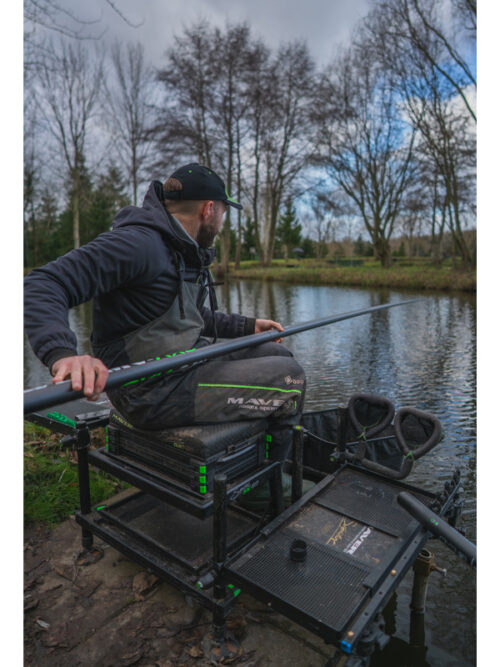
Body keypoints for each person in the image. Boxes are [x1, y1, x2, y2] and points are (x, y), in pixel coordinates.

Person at [24, 163, 306, 461]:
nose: (222, 222)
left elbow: (184, 318)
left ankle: (263, 455)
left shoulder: (181, 250)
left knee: (278, 354)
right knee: (290, 379)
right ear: (209, 209)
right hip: (147, 391)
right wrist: (63, 354)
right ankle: (273, 478)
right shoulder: (139, 244)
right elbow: (44, 282)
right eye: (223, 212)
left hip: (186, 363)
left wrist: (248, 326)